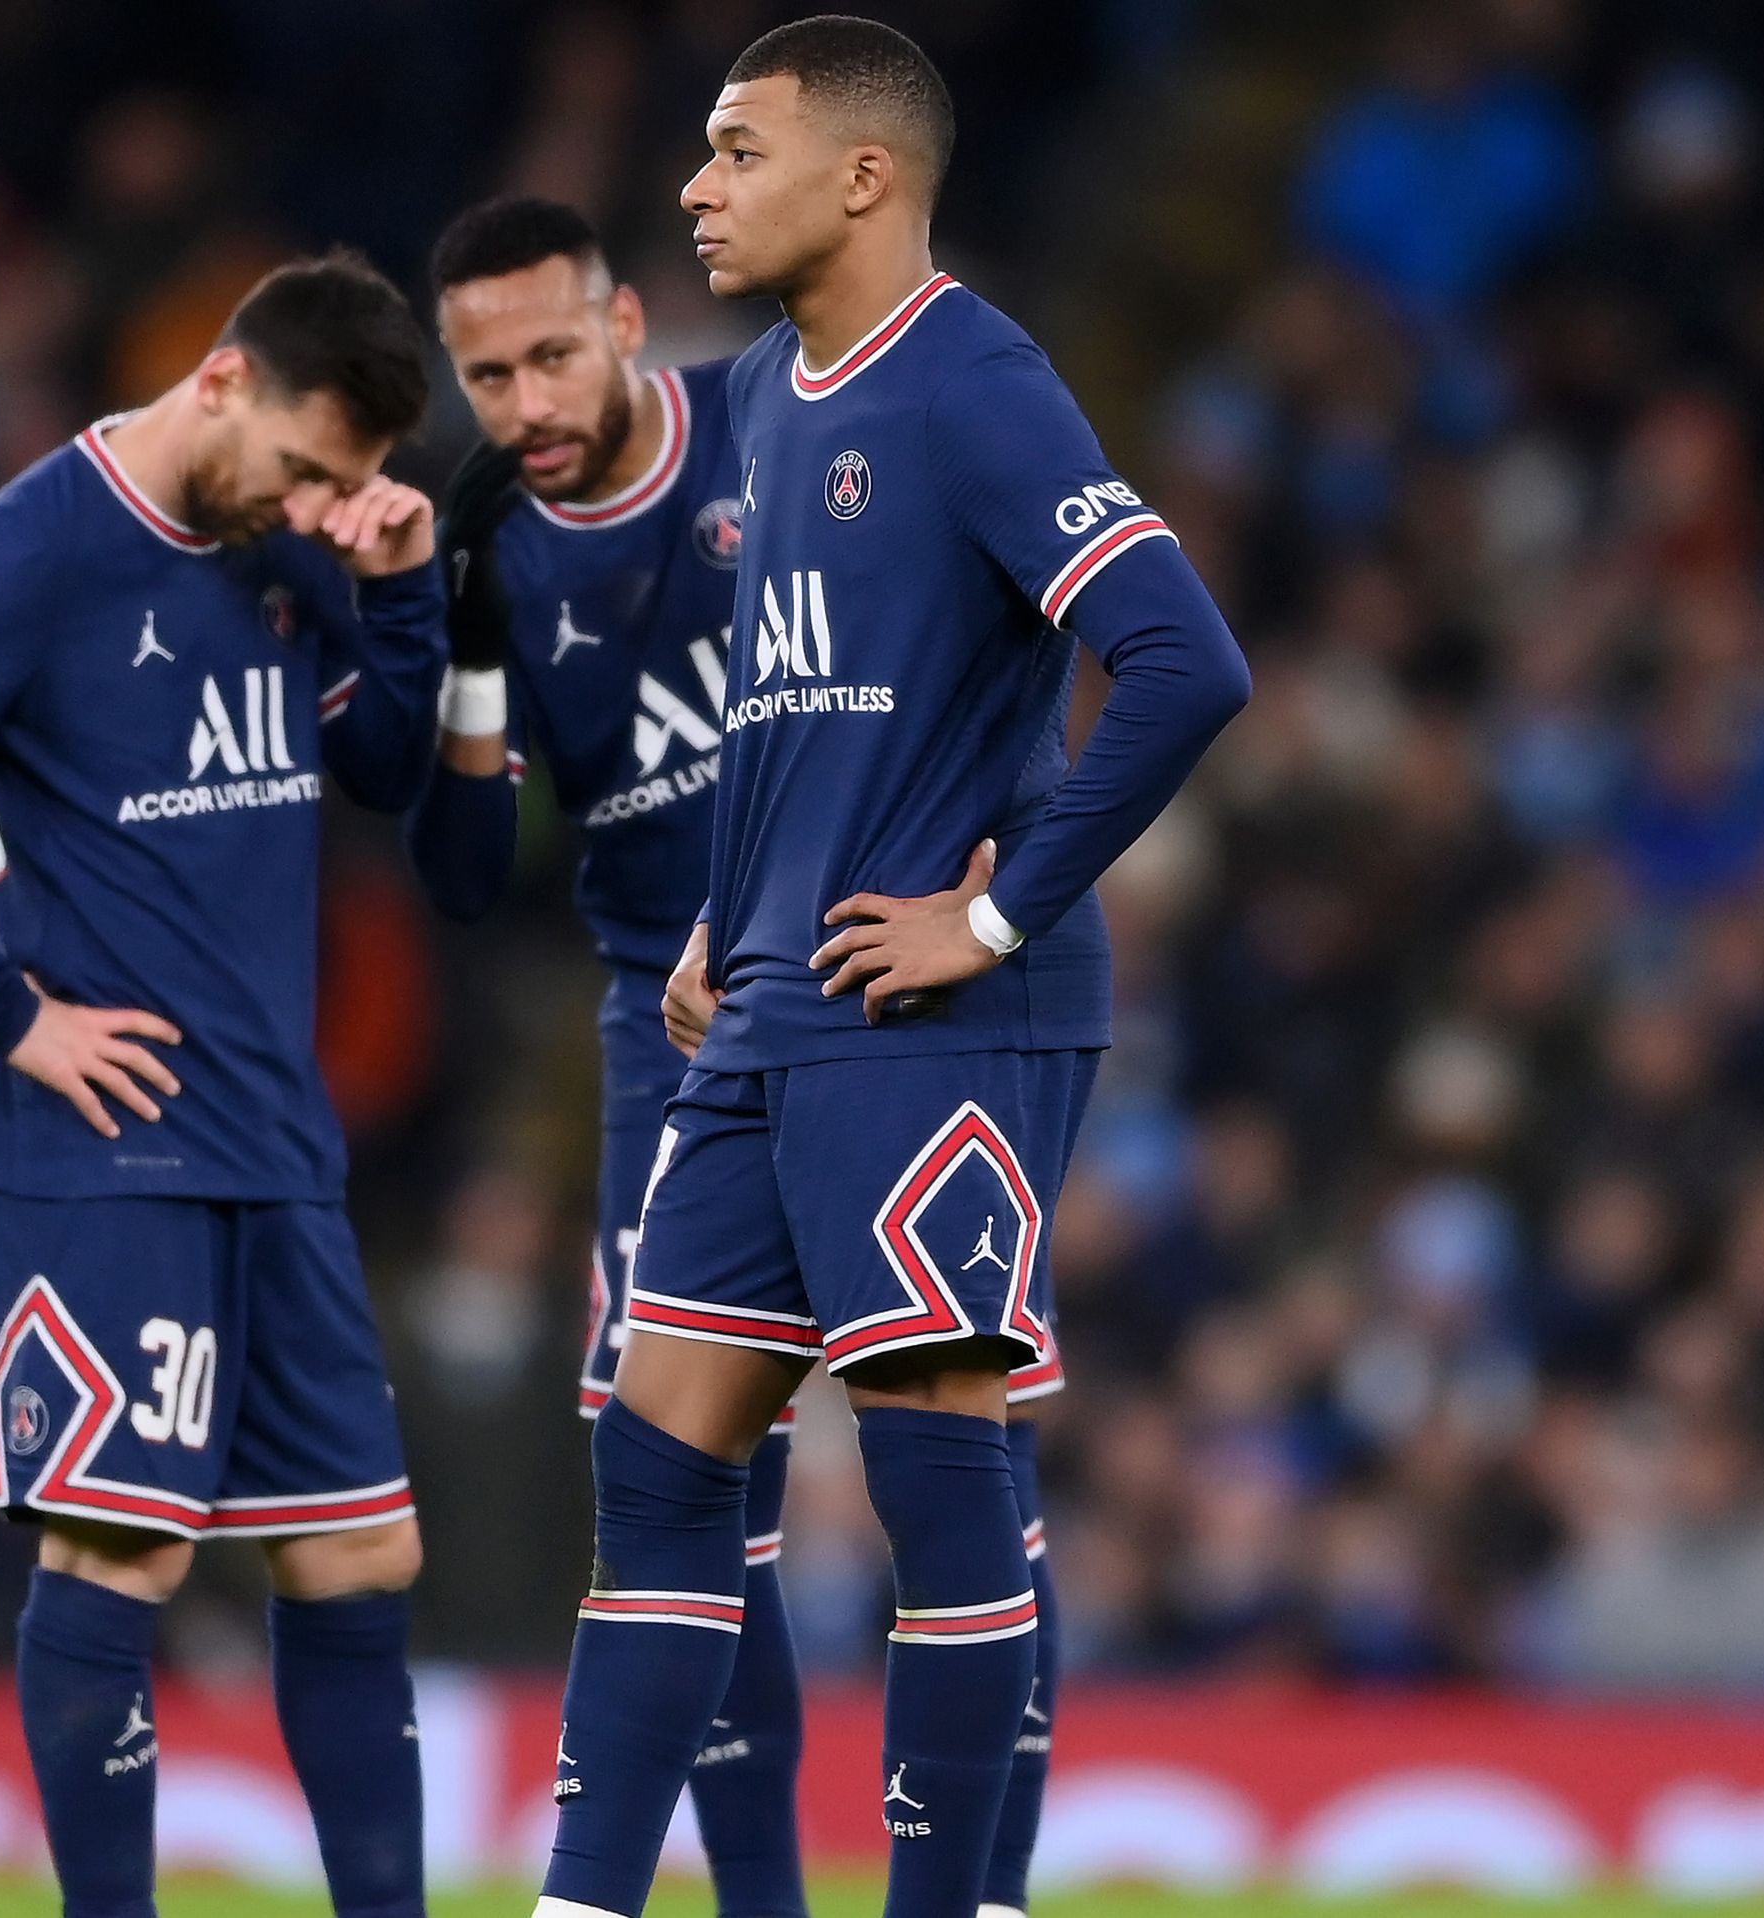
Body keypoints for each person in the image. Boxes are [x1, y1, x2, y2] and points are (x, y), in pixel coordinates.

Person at [533, 20, 1249, 1918]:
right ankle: (583, 1903)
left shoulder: (978, 384)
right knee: (660, 1450)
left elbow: (1186, 660)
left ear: (863, 175)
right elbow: (807, 703)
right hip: (776, 995)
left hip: (938, 1011)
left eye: (736, 149)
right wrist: (723, 912)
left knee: (942, 1467)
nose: (697, 186)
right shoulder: (769, 395)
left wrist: (994, 915)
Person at [0, 251, 446, 1918]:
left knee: (362, 1552)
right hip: (102, 1148)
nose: (317, 503)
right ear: (225, 382)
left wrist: (401, 585)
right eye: (309, 468)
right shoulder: (41, 540)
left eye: (347, 484)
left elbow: (377, 770)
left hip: (273, 1140)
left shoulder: (290, 552)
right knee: (123, 1553)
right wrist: (3, 1012)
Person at [405, 192, 804, 1917]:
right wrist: (469, 642)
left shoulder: (781, 424)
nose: (526, 403)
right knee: (695, 1496)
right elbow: (469, 880)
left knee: (955, 1452)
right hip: (666, 1036)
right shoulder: (478, 545)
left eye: (552, 352)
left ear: (629, 322)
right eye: (487, 375)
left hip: (869, 994)